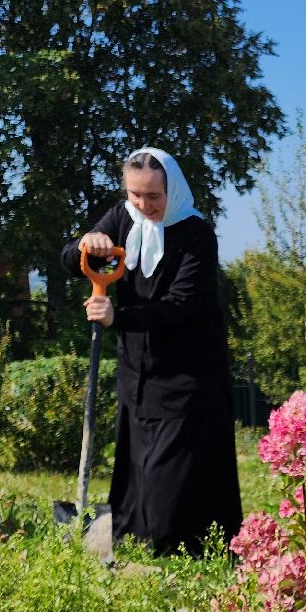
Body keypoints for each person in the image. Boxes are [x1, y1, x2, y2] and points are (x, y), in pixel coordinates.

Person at [60, 147, 241, 557]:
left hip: (188, 377)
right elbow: (71, 261)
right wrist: (85, 243)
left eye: (153, 196)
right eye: (135, 194)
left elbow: (181, 305)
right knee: (136, 475)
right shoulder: (122, 218)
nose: (144, 205)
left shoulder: (196, 234)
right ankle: (130, 546)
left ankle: (185, 552)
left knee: (168, 482)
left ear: (172, 190)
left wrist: (117, 318)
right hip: (137, 373)